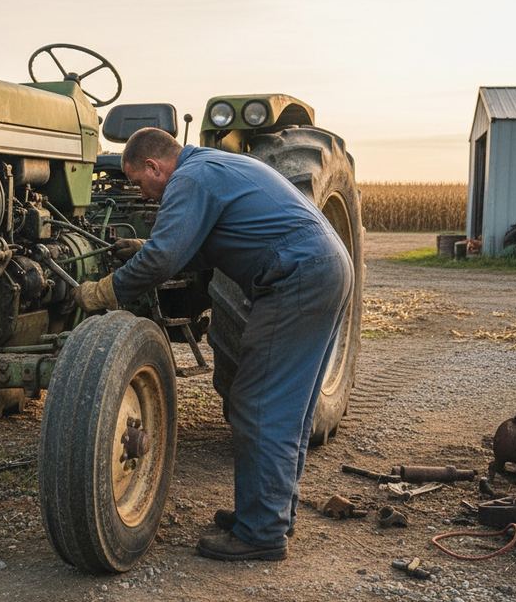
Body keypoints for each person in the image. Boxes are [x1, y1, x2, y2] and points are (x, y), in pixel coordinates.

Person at [74, 127, 354, 562]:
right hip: (323, 268)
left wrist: (104, 291)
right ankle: (271, 513)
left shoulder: (190, 179)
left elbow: (166, 259)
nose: (141, 193)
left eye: (138, 182)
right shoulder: (209, 167)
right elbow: (200, 245)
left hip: (299, 276)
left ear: (154, 166)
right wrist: (144, 245)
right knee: (288, 406)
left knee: (259, 401)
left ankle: (261, 533)